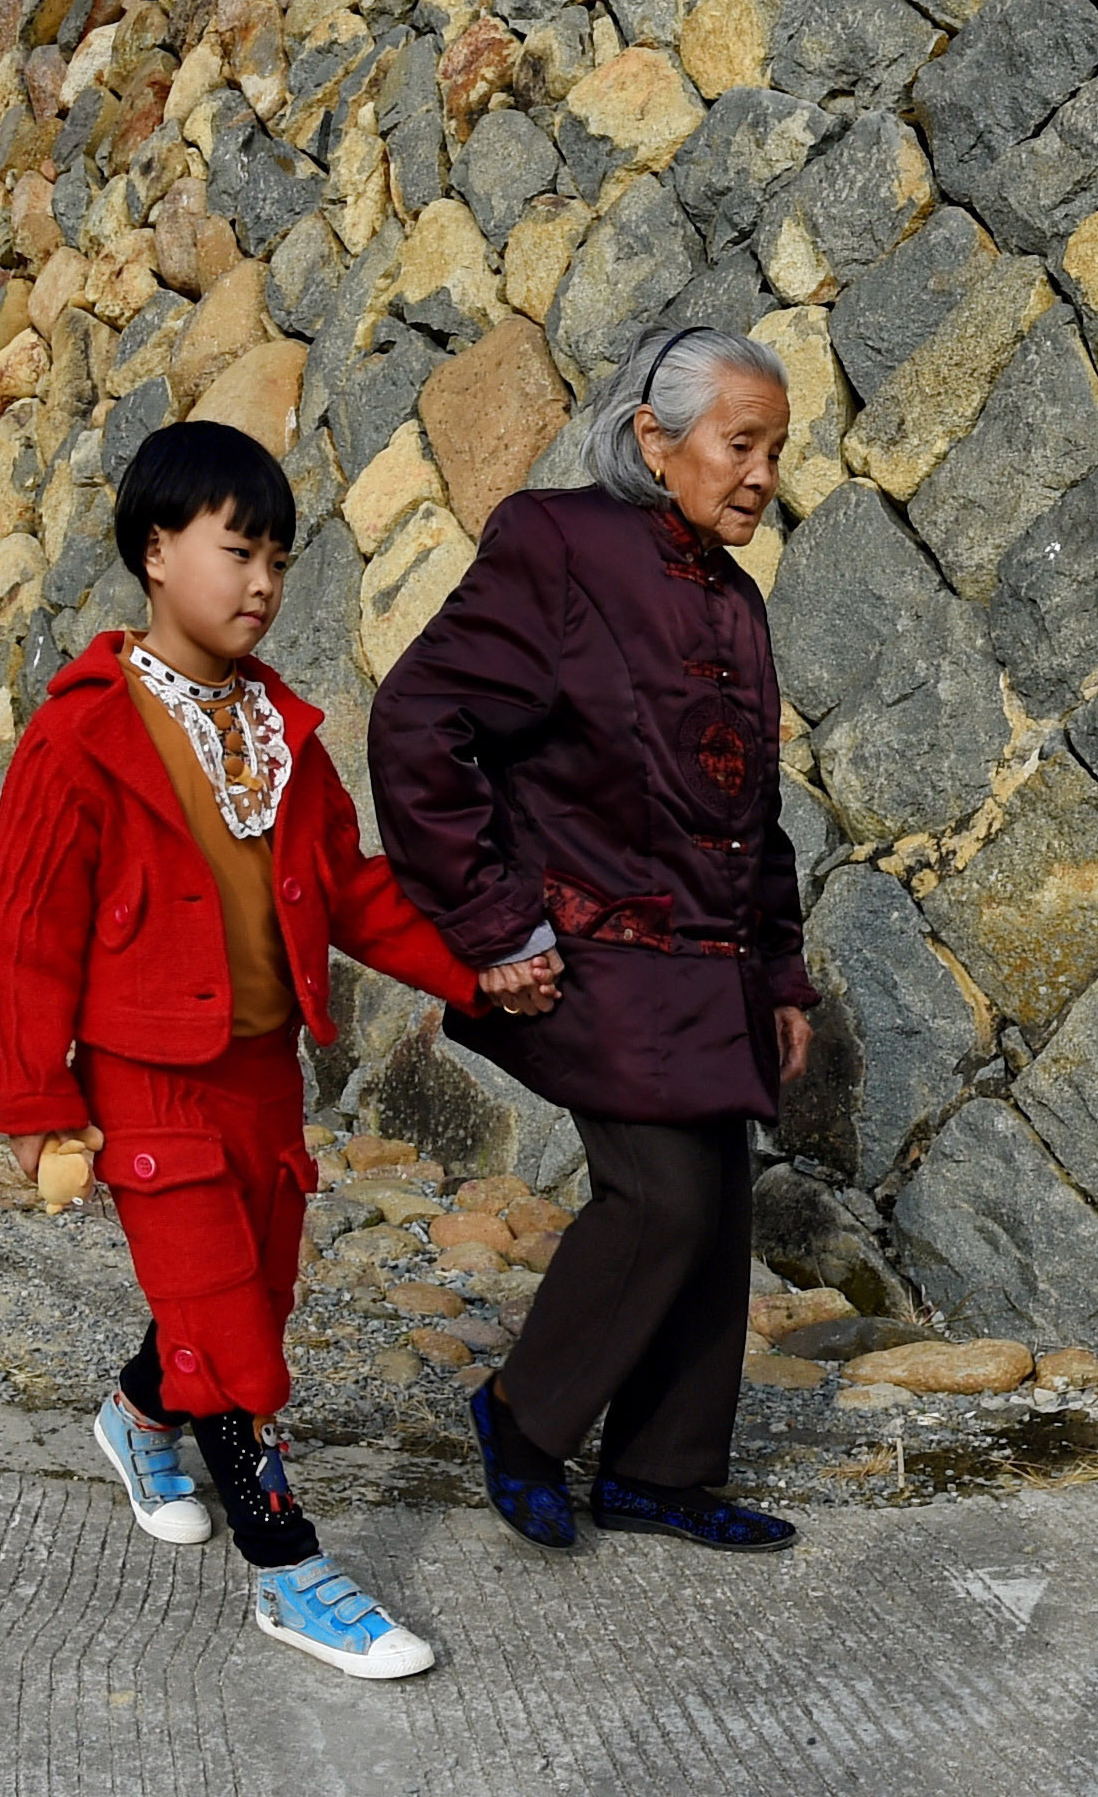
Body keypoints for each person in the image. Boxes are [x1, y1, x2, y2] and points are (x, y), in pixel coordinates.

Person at [0, 418, 502, 1682]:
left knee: (248, 1301)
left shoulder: (281, 735)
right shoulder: (83, 732)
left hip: (264, 1075)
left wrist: (474, 971)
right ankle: (290, 1573)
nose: (262, 583)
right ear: (157, 551)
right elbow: (20, 933)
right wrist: (41, 1108)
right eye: (236, 551)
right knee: (238, 1341)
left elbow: (356, 893)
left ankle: (137, 1413)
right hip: (145, 1078)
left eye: (279, 558)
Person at [370, 321, 818, 1556]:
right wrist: (492, 917)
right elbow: (421, 722)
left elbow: (752, 812)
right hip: (585, 952)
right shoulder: (554, 541)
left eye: (776, 449)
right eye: (741, 444)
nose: (763, 474)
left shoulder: (732, 601)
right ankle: (522, 1417)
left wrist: (780, 974)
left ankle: (661, 1472)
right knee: (660, 1194)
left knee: (716, 1203)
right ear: (652, 438)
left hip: (709, 961)